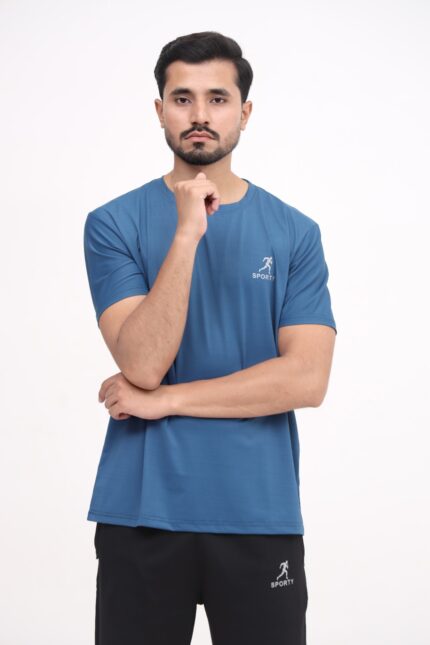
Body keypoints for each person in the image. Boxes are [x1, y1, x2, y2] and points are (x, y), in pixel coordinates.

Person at [83, 30, 337, 645]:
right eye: (183, 98)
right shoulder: (113, 223)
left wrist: (166, 400)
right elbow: (142, 363)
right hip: (141, 514)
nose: (200, 114)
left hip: (259, 513)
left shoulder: (295, 232)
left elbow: (306, 379)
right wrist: (187, 234)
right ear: (159, 110)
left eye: (218, 99)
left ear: (244, 112)